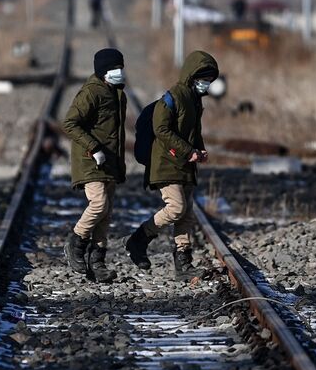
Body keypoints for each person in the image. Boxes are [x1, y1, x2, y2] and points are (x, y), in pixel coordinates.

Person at [125, 50, 219, 280]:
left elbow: (192, 132)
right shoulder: (173, 97)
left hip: (185, 164)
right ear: (191, 76)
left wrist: (200, 150)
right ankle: (139, 239)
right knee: (176, 208)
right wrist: (189, 151)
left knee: (186, 214)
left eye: (209, 80)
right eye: (203, 79)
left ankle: (183, 264)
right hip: (166, 163)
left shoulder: (195, 101)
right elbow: (162, 129)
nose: (206, 84)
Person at [61, 47, 127, 283]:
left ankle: (97, 262)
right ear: (102, 71)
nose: (118, 72)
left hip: (109, 161)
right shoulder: (91, 92)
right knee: (98, 204)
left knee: (106, 213)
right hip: (91, 160)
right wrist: (94, 148)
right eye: (113, 69)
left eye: (120, 67)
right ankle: (75, 242)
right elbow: (70, 123)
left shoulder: (117, 93)